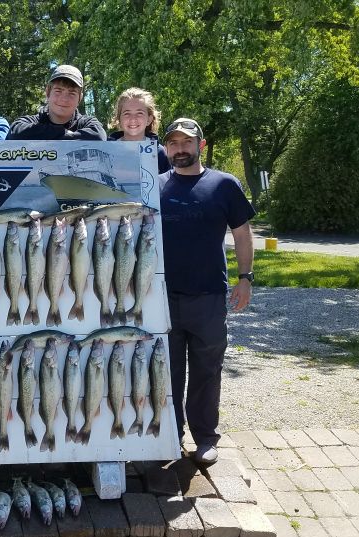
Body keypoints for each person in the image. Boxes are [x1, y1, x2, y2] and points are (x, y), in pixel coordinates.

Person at [159, 117, 255, 465]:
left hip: (209, 298)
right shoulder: (153, 186)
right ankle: (169, 437)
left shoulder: (224, 184)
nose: (180, 149)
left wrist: (245, 277)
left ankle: (205, 437)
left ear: (200, 145)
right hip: (163, 299)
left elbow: (243, 234)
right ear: (166, 148)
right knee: (167, 373)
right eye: (173, 143)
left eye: (187, 143)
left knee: (206, 370)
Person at [7, 65, 105, 140]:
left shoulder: (88, 124)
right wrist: (66, 134)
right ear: (48, 92)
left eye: (72, 93)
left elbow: (99, 136)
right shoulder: (29, 122)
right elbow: (14, 133)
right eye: (58, 91)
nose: (64, 99)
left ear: (80, 98)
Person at [108, 87, 171, 174]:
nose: (133, 119)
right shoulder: (105, 151)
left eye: (139, 113)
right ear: (119, 118)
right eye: (127, 113)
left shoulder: (160, 153)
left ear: (149, 119)